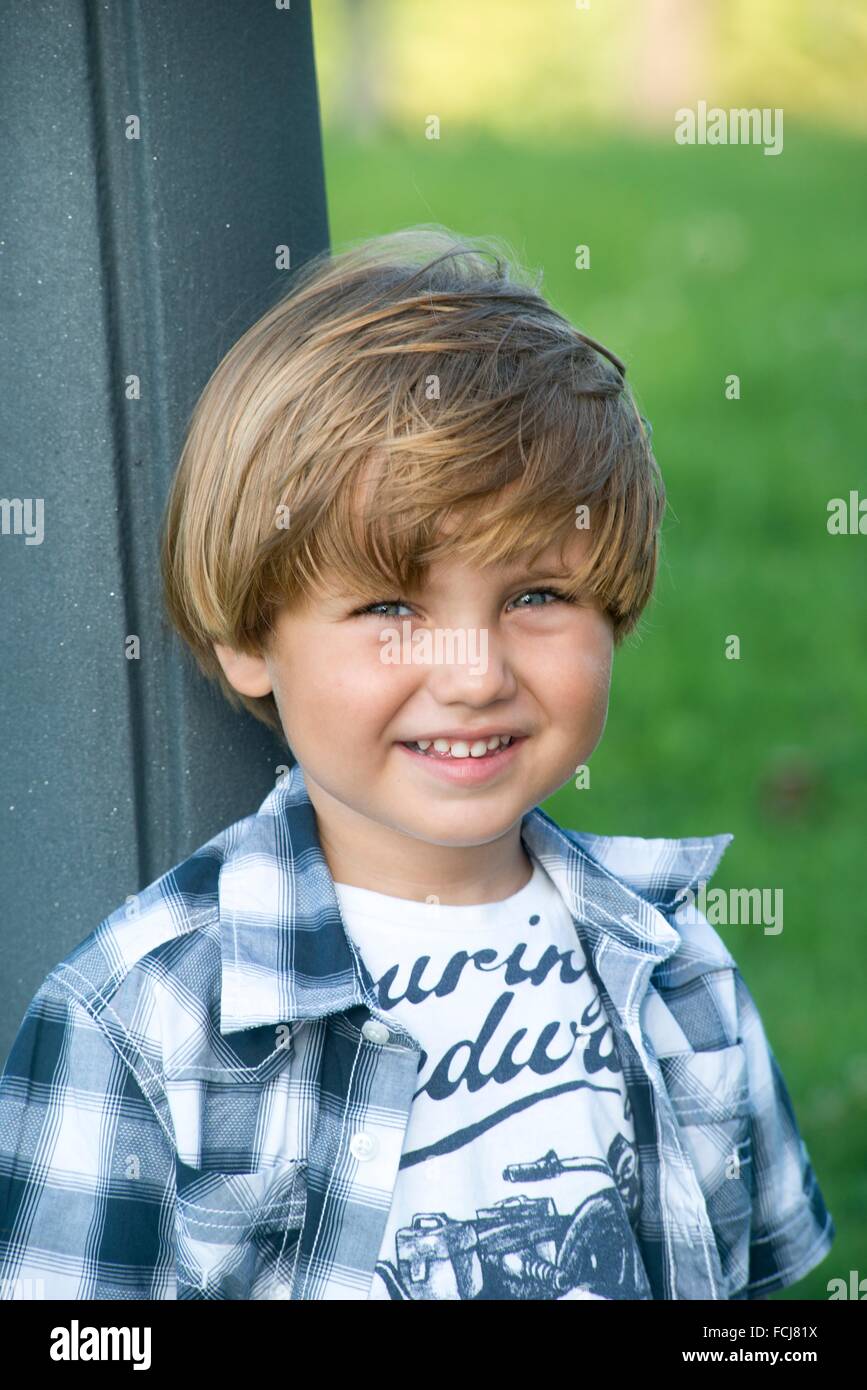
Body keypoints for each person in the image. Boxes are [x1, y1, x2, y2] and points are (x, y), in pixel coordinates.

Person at [0, 227, 834, 1300]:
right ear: (252, 637)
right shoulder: (146, 1017)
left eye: (537, 596)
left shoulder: (674, 961)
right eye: (391, 606)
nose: (474, 671)